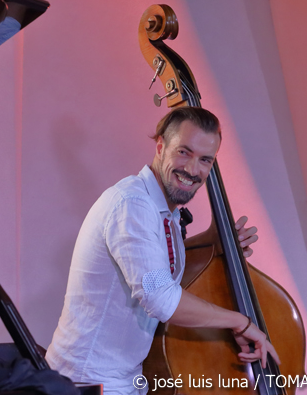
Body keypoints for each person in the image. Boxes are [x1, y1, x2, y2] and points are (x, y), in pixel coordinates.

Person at [46, 107, 279, 394]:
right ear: (160, 146)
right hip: (88, 382)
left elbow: (151, 263)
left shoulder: (164, 212)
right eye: (184, 152)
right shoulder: (133, 205)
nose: (192, 169)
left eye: (205, 160)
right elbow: (159, 297)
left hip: (123, 380)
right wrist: (240, 322)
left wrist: (212, 243)